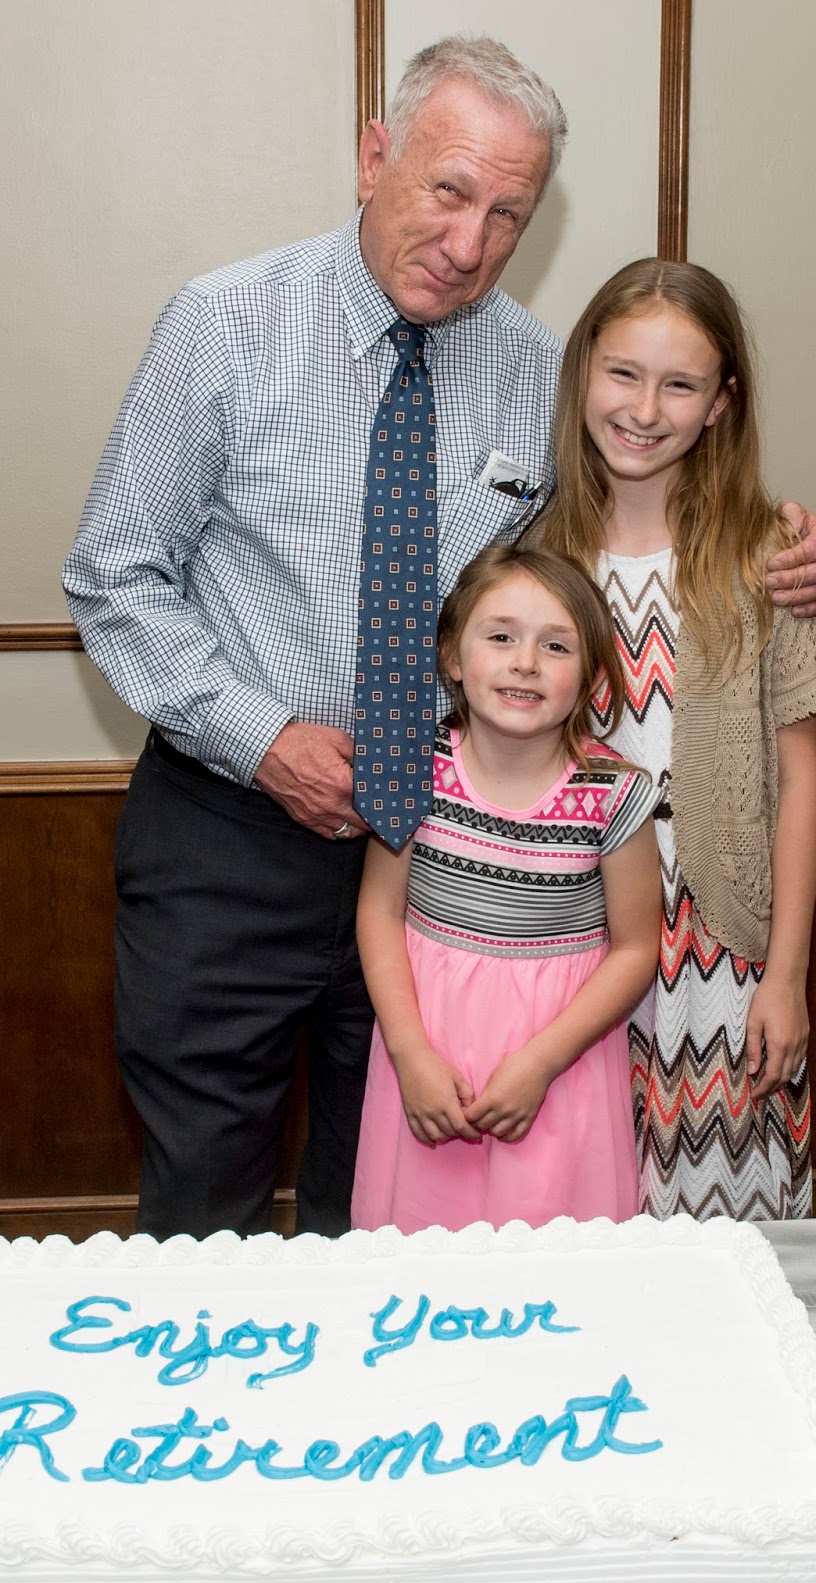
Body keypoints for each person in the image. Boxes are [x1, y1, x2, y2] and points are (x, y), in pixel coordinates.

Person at [61, 37, 569, 1241]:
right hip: (223, 846)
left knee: (390, 1213)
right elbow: (113, 572)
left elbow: (604, 565)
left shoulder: (538, 374)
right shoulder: (224, 324)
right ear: (373, 157)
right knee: (204, 1215)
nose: (468, 245)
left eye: (506, 215)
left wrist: (773, 552)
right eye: (448, 190)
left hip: (438, 860)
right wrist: (265, 738)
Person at [523, 259, 816, 1220]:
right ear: (582, 372)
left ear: (722, 402)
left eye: (680, 384)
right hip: (573, 945)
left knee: (731, 1232)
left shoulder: (769, 559)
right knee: (582, 1214)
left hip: (722, 952)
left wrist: (786, 975)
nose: (645, 410)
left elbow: (801, 780)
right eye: (623, 373)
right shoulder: (535, 560)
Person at [351, 544, 662, 1233]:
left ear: (591, 676)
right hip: (427, 1060)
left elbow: (636, 948)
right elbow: (379, 912)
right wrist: (410, 1053)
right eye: (500, 637)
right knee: (422, 1249)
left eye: (556, 646)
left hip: (557, 1070)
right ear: (451, 657)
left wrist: (541, 1064)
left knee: (549, 1257)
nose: (526, 662)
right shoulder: (412, 771)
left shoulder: (614, 794)